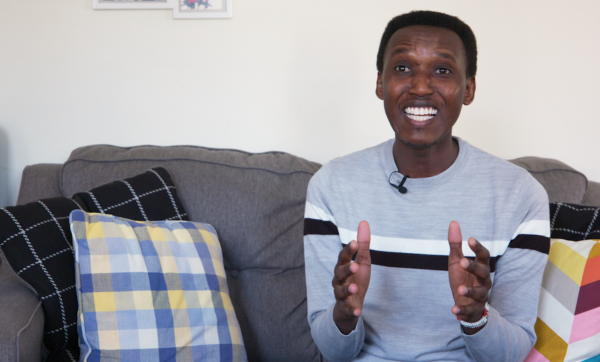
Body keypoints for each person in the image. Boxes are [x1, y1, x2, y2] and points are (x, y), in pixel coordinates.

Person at [303, 10, 550, 362]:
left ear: (468, 89)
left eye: (442, 70)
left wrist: (476, 317)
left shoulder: (521, 196)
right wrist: (343, 314)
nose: (420, 86)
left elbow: (508, 354)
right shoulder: (331, 186)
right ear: (380, 83)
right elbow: (333, 351)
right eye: (403, 68)